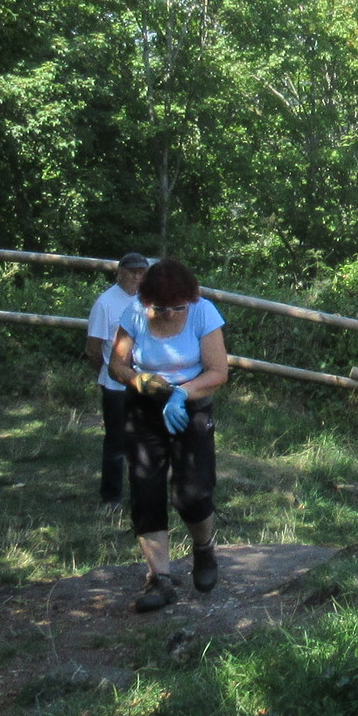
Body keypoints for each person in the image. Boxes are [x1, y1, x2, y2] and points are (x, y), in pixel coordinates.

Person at [105, 257, 230, 612]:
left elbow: (218, 371)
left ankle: (203, 549)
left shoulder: (203, 312)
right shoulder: (133, 313)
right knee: (146, 490)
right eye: (161, 308)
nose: (171, 314)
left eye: (178, 307)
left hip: (191, 406)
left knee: (193, 492)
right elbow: (116, 364)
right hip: (144, 408)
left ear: (189, 299)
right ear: (147, 302)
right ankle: (159, 579)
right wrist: (138, 380)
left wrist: (181, 393)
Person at [86, 253, 152, 506]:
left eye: (142, 272)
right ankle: (111, 496)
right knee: (116, 440)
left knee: (146, 438)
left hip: (144, 380)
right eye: (133, 271)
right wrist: (106, 372)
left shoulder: (148, 300)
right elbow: (93, 348)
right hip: (115, 383)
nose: (137, 277)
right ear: (120, 272)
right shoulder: (105, 303)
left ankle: (145, 491)